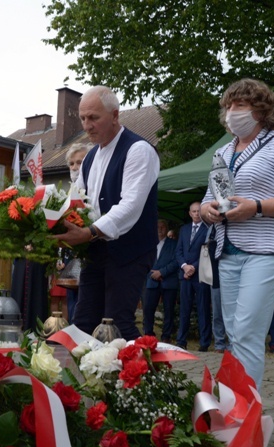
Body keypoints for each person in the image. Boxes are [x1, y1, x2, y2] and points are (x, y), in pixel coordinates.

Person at [200, 78, 274, 389]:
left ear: (260, 110)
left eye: (239, 105)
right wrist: (207, 209)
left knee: (247, 330)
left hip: (270, 248)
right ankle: (232, 403)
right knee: (232, 334)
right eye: (228, 106)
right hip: (228, 251)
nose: (231, 112)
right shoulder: (223, 151)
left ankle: (244, 411)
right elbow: (211, 196)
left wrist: (257, 206)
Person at [53, 85, 160, 340]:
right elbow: (76, 202)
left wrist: (89, 232)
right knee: (83, 321)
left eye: (93, 118)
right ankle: (85, 378)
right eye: (82, 118)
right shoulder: (90, 158)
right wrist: (47, 226)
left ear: (114, 115)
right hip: (96, 250)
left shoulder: (139, 150)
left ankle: (143, 376)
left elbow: (130, 206)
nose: (87, 125)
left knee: (117, 324)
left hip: (129, 251)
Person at [55, 143, 91, 323]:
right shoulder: (66, 194)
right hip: (70, 258)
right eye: (72, 164)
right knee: (72, 304)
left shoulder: (93, 191)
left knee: (86, 306)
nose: (75, 168)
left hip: (90, 255)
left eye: (80, 162)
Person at [175, 202, 212, 351]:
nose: (196, 213)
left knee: (203, 308)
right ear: (190, 213)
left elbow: (207, 251)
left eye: (198, 211)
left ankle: (204, 343)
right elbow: (178, 251)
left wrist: (193, 267)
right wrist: (184, 266)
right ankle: (181, 341)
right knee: (184, 308)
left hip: (200, 275)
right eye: (194, 211)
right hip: (185, 275)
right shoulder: (183, 229)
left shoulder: (208, 229)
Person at [142, 219, 180, 342]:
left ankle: (166, 336)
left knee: (169, 310)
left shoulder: (174, 244)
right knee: (148, 309)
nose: (160, 229)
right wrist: (152, 273)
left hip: (168, 281)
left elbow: (176, 261)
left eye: (163, 227)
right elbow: (143, 261)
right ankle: (148, 335)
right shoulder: (148, 243)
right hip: (150, 281)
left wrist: (162, 272)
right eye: (157, 227)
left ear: (167, 228)